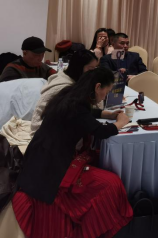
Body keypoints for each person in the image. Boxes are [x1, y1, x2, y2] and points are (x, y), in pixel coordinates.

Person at [13, 68, 132, 238]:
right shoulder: (77, 106)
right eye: (106, 91)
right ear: (97, 86)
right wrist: (120, 122)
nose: (105, 96)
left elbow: (87, 114)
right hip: (51, 164)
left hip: (39, 154)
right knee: (111, 183)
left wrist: (107, 114)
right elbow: (101, 132)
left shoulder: (69, 94)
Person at [31, 50, 98, 136]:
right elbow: (39, 114)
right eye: (91, 69)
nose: (93, 73)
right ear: (79, 67)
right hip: (47, 133)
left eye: (95, 69)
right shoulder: (62, 86)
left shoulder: (78, 81)